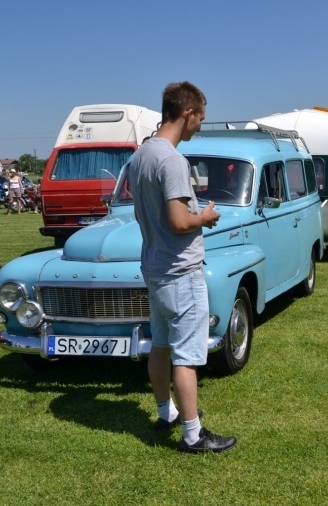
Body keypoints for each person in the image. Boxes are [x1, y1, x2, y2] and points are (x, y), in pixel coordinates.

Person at [127, 81, 236, 453]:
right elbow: (178, 221)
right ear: (188, 112)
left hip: (155, 268)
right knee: (187, 356)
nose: (200, 126)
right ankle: (193, 435)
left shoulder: (141, 155)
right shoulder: (172, 160)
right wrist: (203, 217)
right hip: (179, 271)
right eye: (200, 118)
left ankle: (166, 413)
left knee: (160, 345)